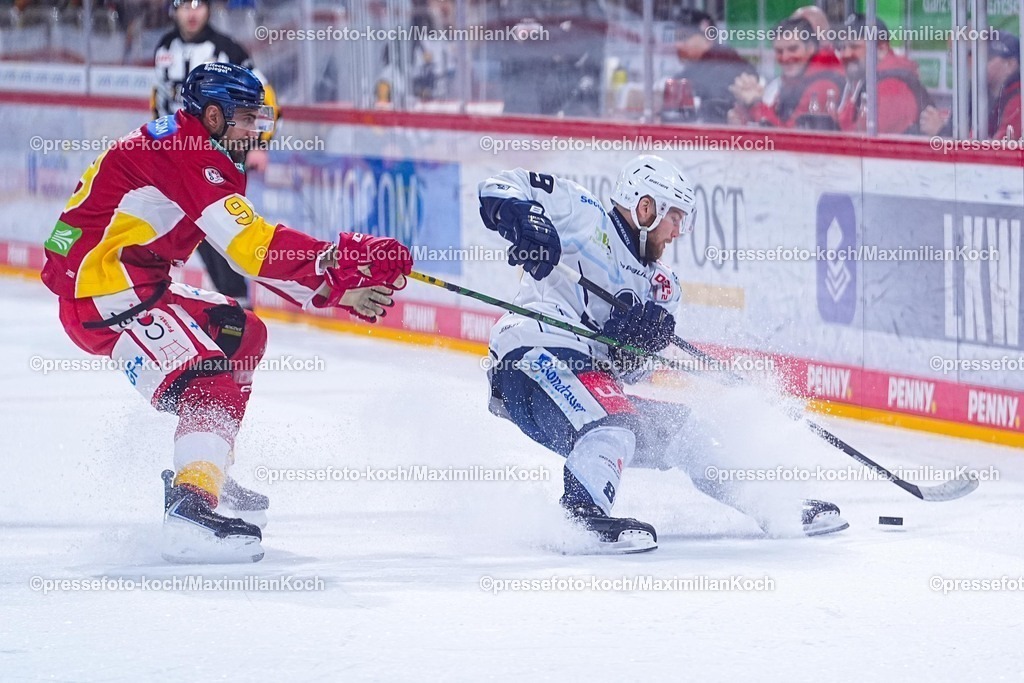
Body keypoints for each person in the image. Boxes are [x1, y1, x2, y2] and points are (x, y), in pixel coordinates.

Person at [41, 63, 413, 564]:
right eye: (246, 119)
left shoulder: (194, 143)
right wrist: (332, 261)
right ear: (213, 115)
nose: (256, 130)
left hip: (133, 285)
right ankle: (191, 505)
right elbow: (249, 246)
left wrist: (334, 292)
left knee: (243, 336)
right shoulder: (187, 152)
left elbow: (246, 249)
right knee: (211, 376)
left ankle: (204, 465)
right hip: (103, 294)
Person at [479, 155, 848, 553]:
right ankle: (580, 518)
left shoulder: (663, 287)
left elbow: (628, 374)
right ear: (646, 207)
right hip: (531, 354)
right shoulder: (584, 215)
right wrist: (527, 221)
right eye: (675, 218)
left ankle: (776, 507)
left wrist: (638, 346)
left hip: (584, 383)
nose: (677, 232)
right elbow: (498, 187)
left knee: (687, 431)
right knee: (614, 424)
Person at [153, 0, 278, 307]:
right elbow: (159, 97)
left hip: (219, 156)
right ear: (173, 10)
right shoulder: (164, 47)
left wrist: (259, 143)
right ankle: (229, 303)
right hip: (177, 158)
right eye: (184, 5)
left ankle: (239, 307)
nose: (192, 12)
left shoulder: (226, 49)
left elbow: (266, 94)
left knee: (223, 230)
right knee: (191, 232)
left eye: (198, 4)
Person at [729, 18, 845, 129]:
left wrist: (755, 103)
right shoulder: (794, 79)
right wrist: (744, 110)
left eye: (793, 49)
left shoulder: (823, 84)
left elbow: (791, 137)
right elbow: (776, 120)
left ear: (810, 48)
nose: (785, 57)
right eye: (779, 51)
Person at [835, 14, 932, 135]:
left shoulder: (893, 85)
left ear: (882, 48)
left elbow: (869, 143)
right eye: (843, 47)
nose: (845, 54)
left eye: (854, 47)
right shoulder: (865, 79)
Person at [920, 30, 1021, 139]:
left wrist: (941, 132)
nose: (979, 63)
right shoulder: (980, 93)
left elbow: (997, 151)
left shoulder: (1018, 101)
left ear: (1010, 65)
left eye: (988, 58)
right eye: (978, 57)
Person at [669, 8, 757, 124]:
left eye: (684, 37)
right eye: (676, 38)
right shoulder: (696, 68)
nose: (678, 45)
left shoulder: (724, 64)